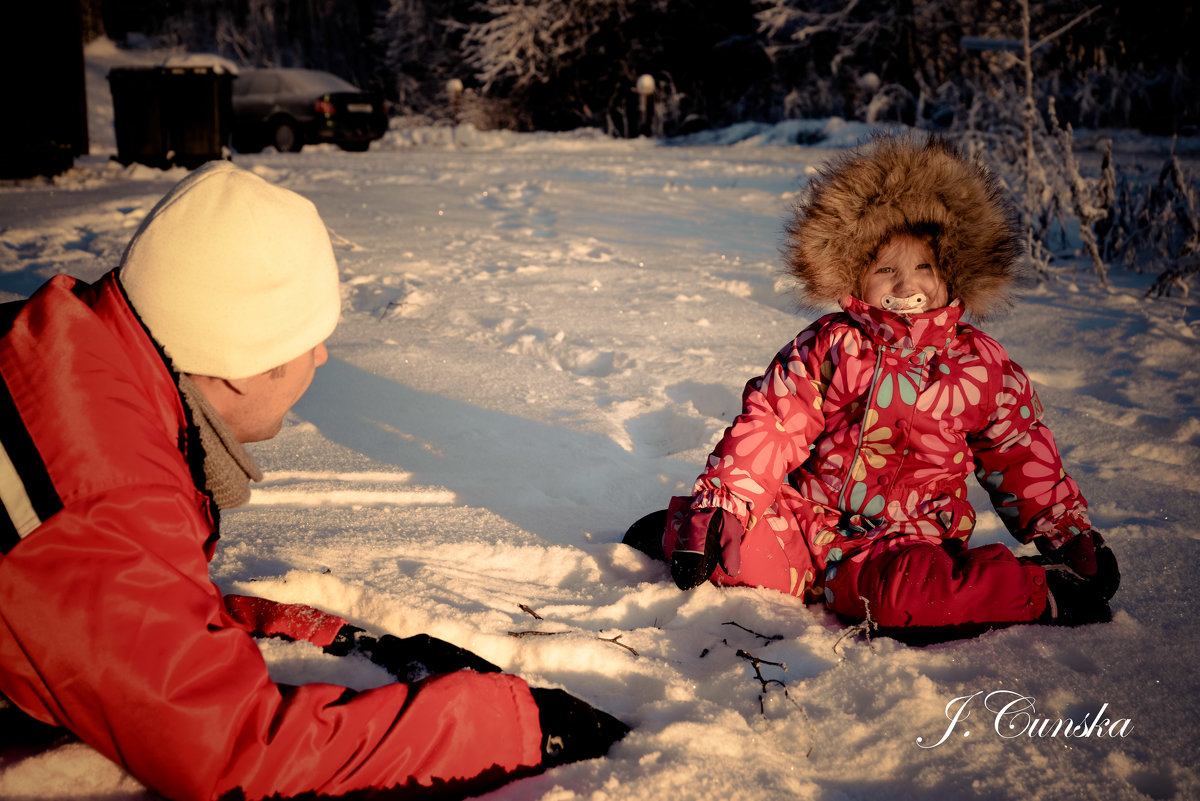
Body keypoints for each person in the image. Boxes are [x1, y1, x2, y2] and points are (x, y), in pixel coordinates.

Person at [0, 161, 626, 800]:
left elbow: (130, 609)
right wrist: (516, 727)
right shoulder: (105, 494)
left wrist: (319, 634)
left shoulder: (66, 361)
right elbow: (235, 755)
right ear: (244, 362)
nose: (323, 356)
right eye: (309, 339)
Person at [624, 135, 1119, 643]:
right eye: (886, 270)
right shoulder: (832, 345)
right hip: (809, 526)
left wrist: (1064, 532)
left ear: (954, 274)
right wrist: (725, 502)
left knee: (905, 601)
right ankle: (696, 527)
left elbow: (1017, 451)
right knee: (734, 553)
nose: (906, 287)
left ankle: (1037, 589)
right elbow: (774, 422)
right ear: (856, 276)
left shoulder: (980, 367)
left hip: (903, 546)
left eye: (924, 268)